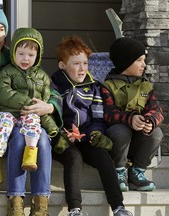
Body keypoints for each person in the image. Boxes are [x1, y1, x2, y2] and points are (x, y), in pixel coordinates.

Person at [0, 2, 63, 215]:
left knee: (42, 139)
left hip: (29, 120)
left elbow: (48, 88)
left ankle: (40, 202)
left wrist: (50, 107)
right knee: (19, 138)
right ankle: (15, 201)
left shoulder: (20, 54)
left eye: (1, 28)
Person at [51, 35, 133, 216]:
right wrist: (61, 134)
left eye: (85, 63)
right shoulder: (54, 85)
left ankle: (118, 206)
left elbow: (97, 117)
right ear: (62, 65)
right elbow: (52, 115)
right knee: (74, 158)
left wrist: (96, 133)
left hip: (87, 136)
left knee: (104, 157)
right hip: (63, 139)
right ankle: (75, 209)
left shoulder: (94, 86)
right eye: (76, 64)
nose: (82, 69)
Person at [0, 27, 59, 173]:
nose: (25, 59)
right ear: (13, 52)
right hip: (8, 111)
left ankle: (30, 155)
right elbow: (3, 92)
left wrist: (51, 124)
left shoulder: (42, 76)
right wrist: (29, 103)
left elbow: (46, 98)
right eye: (21, 54)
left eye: (31, 55)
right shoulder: (7, 72)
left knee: (33, 123)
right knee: (2, 129)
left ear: (38, 56)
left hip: (29, 113)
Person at [100, 37, 164, 192]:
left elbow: (157, 110)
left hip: (137, 139)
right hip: (116, 140)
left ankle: (137, 172)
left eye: (144, 60)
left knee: (156, 133)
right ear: (126, 62)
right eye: (139, 60)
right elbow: (108, 114)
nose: (144, 64)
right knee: (121, 131)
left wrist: (150, 120)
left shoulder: (145, 85)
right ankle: (119, 171)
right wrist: (129, 119)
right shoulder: (108, 86)